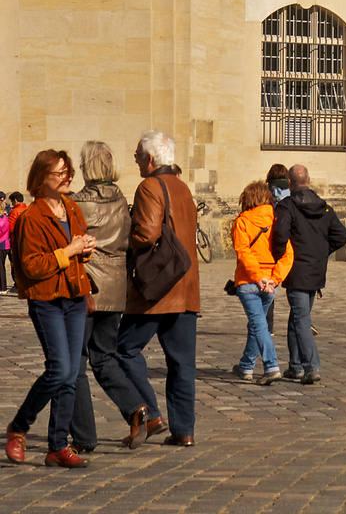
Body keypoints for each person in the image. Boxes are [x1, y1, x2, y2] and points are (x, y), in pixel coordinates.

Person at [5, 149, 96, 468]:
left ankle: (58, 445)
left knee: (70, 374)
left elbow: (78, 246)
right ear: (42, 179)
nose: (68, 177)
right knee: (59, 368)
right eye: (61, 173)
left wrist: (84, 249)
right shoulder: (31, 217)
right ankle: (19, 427)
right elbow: (30, 267)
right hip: (46, 299)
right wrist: (68, 250)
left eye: (68, 172)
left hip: (74, 295)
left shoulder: (71, 206)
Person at [110, 131, 200, 449]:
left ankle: (152, 413)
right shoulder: (183, 187)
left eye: (137, 155)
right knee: (182, 363)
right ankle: (184, 430)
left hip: (157, 287)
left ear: (150, 159)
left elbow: (146, 234)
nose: (135, 160)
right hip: (185, 286)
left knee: (123, 350)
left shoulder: (150, 185)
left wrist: (124, 236)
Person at [66, 141, 140, 455]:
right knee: (104, 357)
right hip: (116, 287)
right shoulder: (122, 199)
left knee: (76, 364)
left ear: (88, 168)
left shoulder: (77, 203)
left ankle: (84, 434)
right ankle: (135, 407)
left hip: (89, 289)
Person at [271, 165, 346, 384]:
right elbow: (340, 236)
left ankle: (311, 366)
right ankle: (295, 366)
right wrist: (322, 252)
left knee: (301, 318)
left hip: (296, 269)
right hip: (315, 270)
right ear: (309, 180)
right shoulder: (324, 207)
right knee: (298, 315)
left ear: (289, 182)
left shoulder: (287, 206)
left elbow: (279, 236)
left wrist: (281, 258)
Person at [230, 180, 291, 385]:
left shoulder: (242, 221)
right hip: (270, 282)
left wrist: (259, 277)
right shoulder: (278, 220)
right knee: (257, 325)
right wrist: (274, 278)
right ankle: (246, 365)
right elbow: (287, 253)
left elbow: (243, 252)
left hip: (249, 281)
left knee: (259, 325)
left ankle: (271, 365)